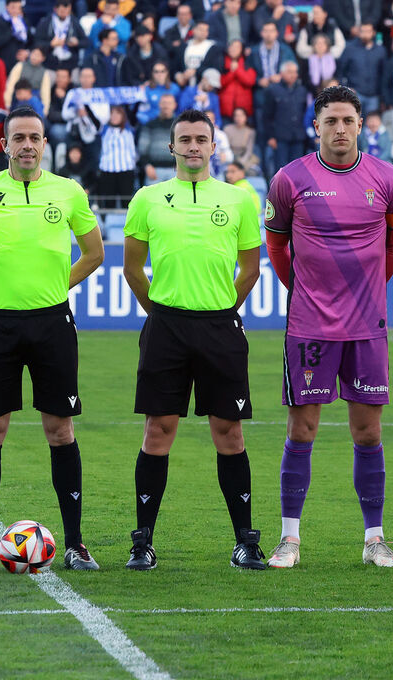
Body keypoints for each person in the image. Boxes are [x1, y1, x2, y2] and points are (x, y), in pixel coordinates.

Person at [0, 106, 105, 574]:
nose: (28, 145)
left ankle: (76, 544)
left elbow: (94, 253)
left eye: (35, 137)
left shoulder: (68, 191)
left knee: (60, 429)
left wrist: (58, 288)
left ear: (44, 143)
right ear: (5, 145)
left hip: (53, 324)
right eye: (19, 138)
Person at [262, 86, 393, 569]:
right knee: (302, 429)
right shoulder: (290, 179)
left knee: (368, 432)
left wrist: (367, 290)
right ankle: (289, 540)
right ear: (317, 126)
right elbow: (277, 249)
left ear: (361, 125)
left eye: (348, 120)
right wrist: (305, 291)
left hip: (367, 326)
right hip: (309, 326)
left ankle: (374, 540)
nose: (340, 129)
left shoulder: (388, 180)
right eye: (331, 121)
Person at [121, 108, 264, 571]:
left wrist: (222, 310)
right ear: (172, 147)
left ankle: (245, 539)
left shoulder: (240, 199)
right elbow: (132, 268)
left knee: (229, 432)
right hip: (165, 327)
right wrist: (161, 313)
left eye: (201, 139)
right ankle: (143, 541)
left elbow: (251, 269)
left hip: (220, 328)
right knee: (158, 431)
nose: (194, 147)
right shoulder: (148, 198)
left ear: (214, 145)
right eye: (185, 140)